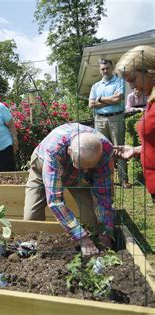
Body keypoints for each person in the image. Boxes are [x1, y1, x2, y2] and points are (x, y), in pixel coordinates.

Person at [23, 123, 114, 256]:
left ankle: (96, 240)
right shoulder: (54, 150)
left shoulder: (105, 151)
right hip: (43, 164)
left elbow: (104, 195)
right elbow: (55, 200)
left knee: (92, 220)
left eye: (89, 167)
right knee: (31, 217)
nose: (86, 170)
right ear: (70, 151)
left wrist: (106, 234)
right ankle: (30, 249)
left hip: (77, 178)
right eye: (82, 166)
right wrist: (82, 237)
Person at [113, 45, 155, 203]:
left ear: (150, 70)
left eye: (132, 79)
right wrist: (135, 150)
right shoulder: (151, 101)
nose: (131, 87)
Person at [88, 59, 130, 188]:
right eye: (103, 69)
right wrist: (109, 100)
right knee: (101, 149)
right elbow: (91, 104)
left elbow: (118, 99)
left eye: (107, 68)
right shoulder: (95, 86)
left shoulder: (119, 82)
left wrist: (99, 100)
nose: (105, 71)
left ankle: (124, 180)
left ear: (112, 68)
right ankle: (105, 179)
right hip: (99, 119)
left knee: (119, 147)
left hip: (116, 117)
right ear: (100, 70)